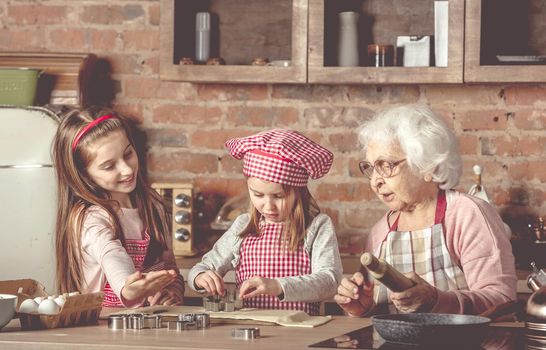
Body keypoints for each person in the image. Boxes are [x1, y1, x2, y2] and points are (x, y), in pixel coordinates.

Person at [335, 104, 517, 316]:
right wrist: (361, 307)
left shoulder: (467, 214)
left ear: (427, 166)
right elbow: (378, 312)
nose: (376, 181)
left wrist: (437, 301)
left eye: (386, 166)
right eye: (370, 168)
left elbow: (502, 300)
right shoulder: (380, 233)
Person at [188, 129, 342, 315]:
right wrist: (200, 277)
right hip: (250, 331)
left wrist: (277, 286)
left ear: (299, 192)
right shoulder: (243, 225)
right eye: (258, 194)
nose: (268, 206)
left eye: (279, 196)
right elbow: (202, 267)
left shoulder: (317, 226)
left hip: (299, 331)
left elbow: (330, 281)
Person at [53, 107, 184, 308]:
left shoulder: (153, 204)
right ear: (83, 174)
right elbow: (111, 254)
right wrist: (127, 287)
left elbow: (170, 267)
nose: (127, 169)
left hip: (147, 325)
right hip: (99, 330)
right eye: (109, 166)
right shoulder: (90, 218)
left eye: (128, 154)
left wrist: (172, 291)